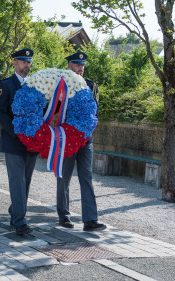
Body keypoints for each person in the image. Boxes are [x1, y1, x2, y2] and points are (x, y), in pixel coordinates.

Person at [57, 51, 107, 232]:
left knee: (87, 177)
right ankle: (64, 215)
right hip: (67, 138)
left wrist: (86, 132)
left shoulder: (91, 86)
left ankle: (90, 220)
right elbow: (53, 111)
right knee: (64, 177)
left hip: (86, 139)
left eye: (82, 65)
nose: (80, 69)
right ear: (69, 66)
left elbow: (95, 113)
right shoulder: (60, 85)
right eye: (77, 65)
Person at [0, 48, 38, 236]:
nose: (26, 65)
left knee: (26, 181)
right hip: (14, 140)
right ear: (14, 63)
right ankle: (20, 220)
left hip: (32, 142)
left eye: (28, 62)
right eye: (23, 61)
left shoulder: (36, 85)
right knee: (17, 180)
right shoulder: (6, 85)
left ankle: (15, 212)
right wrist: (18, 132)